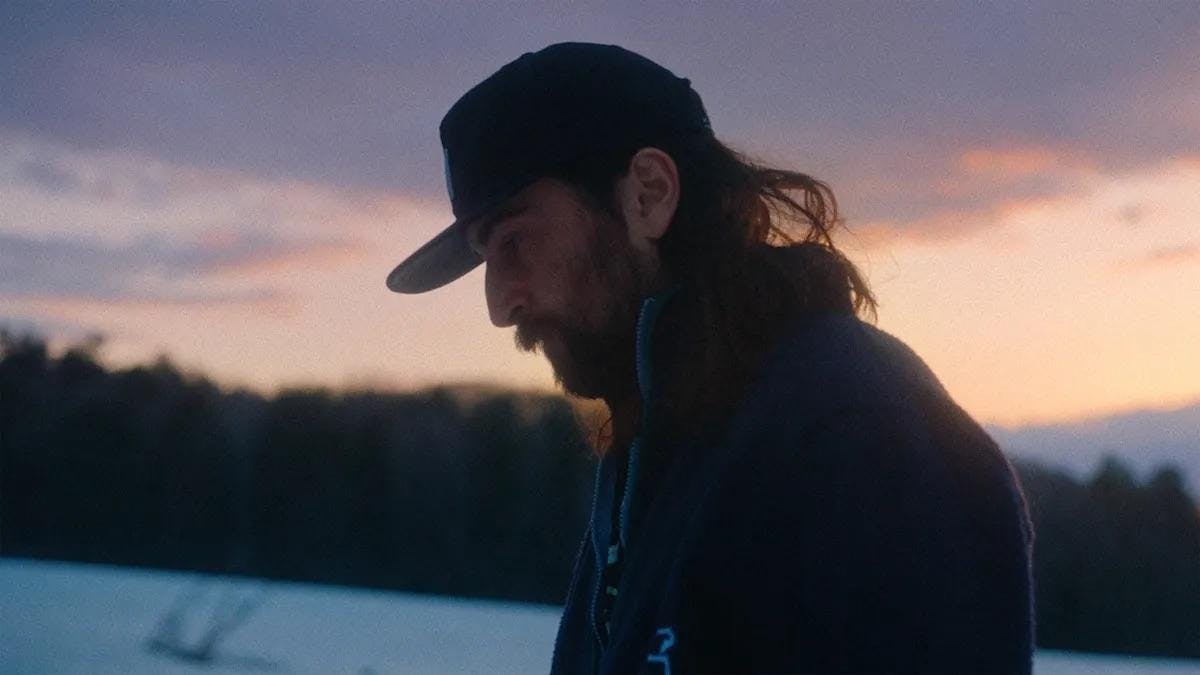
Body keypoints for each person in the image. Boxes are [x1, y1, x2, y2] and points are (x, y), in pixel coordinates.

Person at [387, 42, 1034, 675]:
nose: (500, 304)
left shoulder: (855, 431)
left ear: (647, 193)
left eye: (514, 240)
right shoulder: (655, 452)